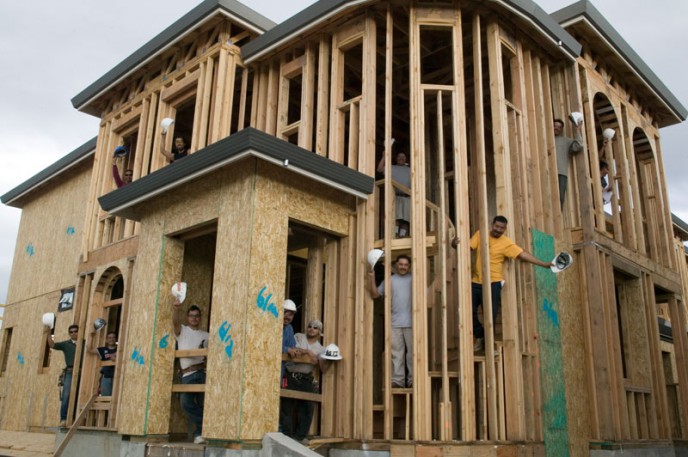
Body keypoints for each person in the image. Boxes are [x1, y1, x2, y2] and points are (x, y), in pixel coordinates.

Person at [454, 216, 553, 351]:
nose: (499, 230)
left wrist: (544, 264)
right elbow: (466, 249)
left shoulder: (506, 242)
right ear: (492, 225)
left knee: (490, 316)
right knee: (467, 312)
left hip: (493, 283)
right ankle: (480, 335)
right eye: (497, 227)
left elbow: (522, 254)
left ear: (505, 229)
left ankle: (488, 345)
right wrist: (454, 244)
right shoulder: (480, 234)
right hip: (476, 282)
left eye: (502, 228)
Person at [280, 319, 332, 442]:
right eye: (310, 326)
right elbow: (294, 350)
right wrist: (308, 352)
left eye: (315, 327)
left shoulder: (321, 348)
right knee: (286, 405)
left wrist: (327, 360)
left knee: (308, 407)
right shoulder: (298, 337)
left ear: (319, 331)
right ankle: (286, 436)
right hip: (290, 375)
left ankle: (299, 437)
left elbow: (324, 369)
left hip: (305, 378)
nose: (312, 329)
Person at [367, 255, 413, 387]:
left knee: (412, 354)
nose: (403, 267)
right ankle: (398, 381)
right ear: (396, 265)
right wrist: (372, 276)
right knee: (396, 354)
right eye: (401, 264)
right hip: (394, 324)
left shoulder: (414, 279)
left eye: (405, 265)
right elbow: (375, 294)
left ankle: (412, 380)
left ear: (409, 266)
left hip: (412, 323)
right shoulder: (389, 280)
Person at [173, 301, 209, 444]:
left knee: (202, 404)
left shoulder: (207, 335)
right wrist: (175, 309)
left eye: (197, 316)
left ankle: (199, 434)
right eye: (192, 316)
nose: (194, 318)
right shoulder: (182, 331)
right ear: (187, 318)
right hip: (187, 374)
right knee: (185, 404)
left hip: (201, 372)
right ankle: (205, 427)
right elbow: (175, 322)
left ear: (200, 318)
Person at [44, 324, 79, 427]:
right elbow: (51, 345)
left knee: (79, 395)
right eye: (71, 332)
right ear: (69, 333)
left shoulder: (83, 343)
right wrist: (49, 332)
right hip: (70, 371)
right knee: (66, 395)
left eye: (75, 331)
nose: (73, 333)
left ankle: (75, 419)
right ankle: (63, 419)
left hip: (82, 372)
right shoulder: (66, 344)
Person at [377, 151, 411, 237]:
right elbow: (379, 169)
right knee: (396, 218)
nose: (401, 158)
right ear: (396, 159)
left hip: (407, 197)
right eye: (399, 156)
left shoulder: (410, 169)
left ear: (406, 159)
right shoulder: (391, 168)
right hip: (395, 197)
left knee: (406, 219)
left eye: (403, 157)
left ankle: (402, 236)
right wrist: (384, 157)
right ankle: (394, 236)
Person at [553, 117, 583, 208]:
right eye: (555, 126)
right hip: (546, 171)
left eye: (559, 127)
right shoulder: (545, 139)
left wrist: (577, 131)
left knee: (560, 198)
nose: (556, 128)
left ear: (562, 129)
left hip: (561, 173)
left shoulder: (566, 141)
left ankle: (557, 219)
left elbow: (578, 145)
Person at [89, 331, 117, 396]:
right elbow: (89, 350)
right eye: (109, 338)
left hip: (117, 375)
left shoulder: (120, 349)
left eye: (113, 337)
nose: (111, 339)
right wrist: (91, 337)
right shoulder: (102, 350)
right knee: (106, 395)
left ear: (116, 339)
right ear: (106, 340)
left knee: (116, 396)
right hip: (106, 375)